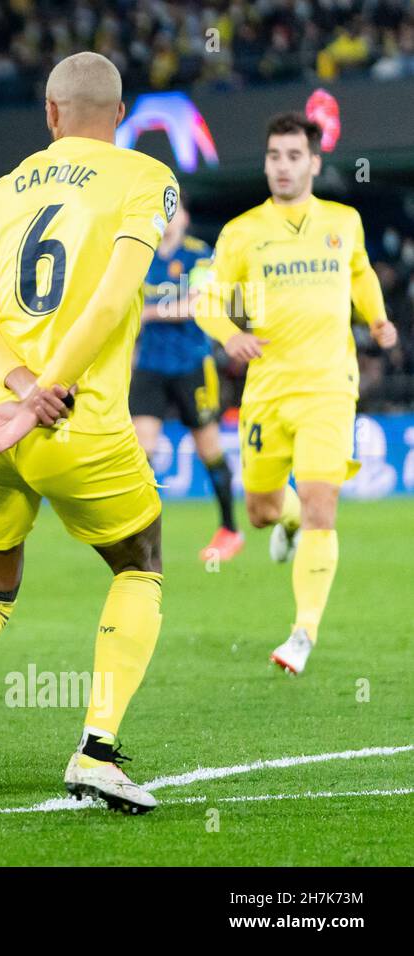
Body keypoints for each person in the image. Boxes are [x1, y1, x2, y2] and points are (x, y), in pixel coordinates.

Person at [0, 51, 176, 828]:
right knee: (141, 559)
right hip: (72, 416)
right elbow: (113, 299)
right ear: (118, 116)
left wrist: (17, 389)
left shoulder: (2, 190)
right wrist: (45, 393)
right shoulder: (144, 179)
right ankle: (96, 747)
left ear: (50, 115)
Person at [196, 113, 398, 675]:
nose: (281, 166)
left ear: (313, 162)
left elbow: (359, 274)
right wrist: (231, 335)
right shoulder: (241, 233)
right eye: (273, 156)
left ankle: (302, 633)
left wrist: (377, 320)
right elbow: (208, 301)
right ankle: (280, 522)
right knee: (260, 510)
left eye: (292, 156)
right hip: (267, 392)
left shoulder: (343, 221)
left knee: (320, 504)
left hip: (331, 385)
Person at [130, 196, 242, 561]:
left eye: (173, 210)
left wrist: (147, 313)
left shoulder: (199, 255)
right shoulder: (140, 256)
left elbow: (196, 304)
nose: (166, 217)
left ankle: (229, 528)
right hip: (149, 365)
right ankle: (142, 534)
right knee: (140, 450)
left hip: (192, 365)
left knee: (208, 448)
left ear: (186, 217)